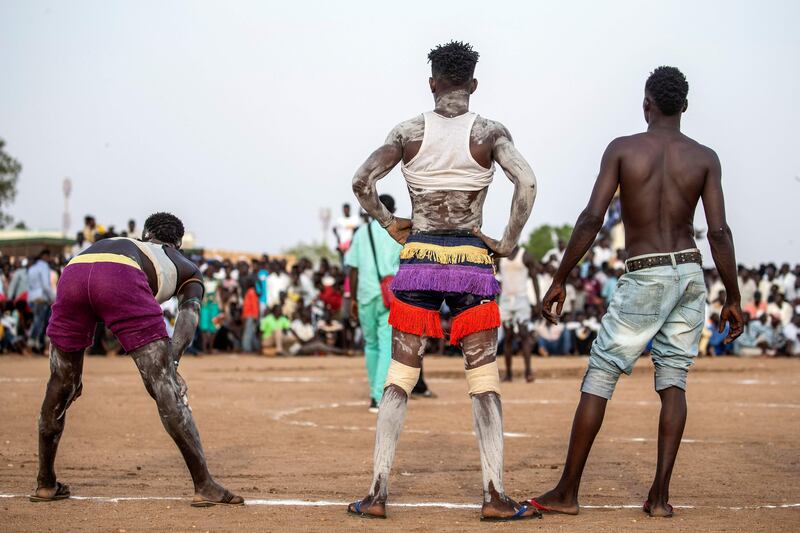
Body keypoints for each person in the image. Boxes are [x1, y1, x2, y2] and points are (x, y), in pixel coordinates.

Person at [530, 66, 743, 518]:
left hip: (645, 271)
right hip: (688, 271)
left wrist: (560, 277)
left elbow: (592, 217)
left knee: (602, 373)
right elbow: (719, 232)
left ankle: (567, 492)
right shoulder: (705, 158)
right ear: (684, 107)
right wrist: (734, 296)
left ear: (646, 103)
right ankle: (660, 498)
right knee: (673, 380)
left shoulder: (623, 150)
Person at [347, 41, 538, 521]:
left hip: (420, 260)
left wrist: (392, 224)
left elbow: (361, 181)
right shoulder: (490, 133)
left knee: (399, 378)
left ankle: (377, 493)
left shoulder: (408, 132)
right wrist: (507, 243)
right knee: (484, 379)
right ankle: (494, 495)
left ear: (432, 82)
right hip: (473, 264)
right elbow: (527, 183)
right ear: (473, 84)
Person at [33, 212, 242, 506]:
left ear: (146, 235)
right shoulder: (186, 267)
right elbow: (189, 315)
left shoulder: (123, 243)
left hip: (75, 271)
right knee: (163, 387)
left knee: (61, 383)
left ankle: (45, 483)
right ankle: (204, 485)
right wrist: (173, 363)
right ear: (178, 243)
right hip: (121, 275)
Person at [346, 194, 403, 412]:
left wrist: (352, 298)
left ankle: (374, 390)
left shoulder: (361, 233)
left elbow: (353, 267)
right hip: (388, 295)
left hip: (365, 294)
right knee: (385, 345)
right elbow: (404, 263)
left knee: (370, 345)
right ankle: (377, 396)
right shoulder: (395, 233)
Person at [498, 246, 540, 381]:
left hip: (521, 300)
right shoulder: (500, 257)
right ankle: (509, 373)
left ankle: (528, 372)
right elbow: (492, 275)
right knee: (508, 336)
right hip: (505, 301)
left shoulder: (525, 255)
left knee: (524, 335)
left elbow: (534, 278)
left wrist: (538, 302)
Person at [27, 249, 55, 354]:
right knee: (40, 323)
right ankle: (33, 344)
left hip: (32, 298)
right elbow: (46, 285)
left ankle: (35, 344)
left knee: (37, 321)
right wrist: (53, 298)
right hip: (41, 298)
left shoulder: (32, 268)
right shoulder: (44, 267)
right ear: (45, 256)